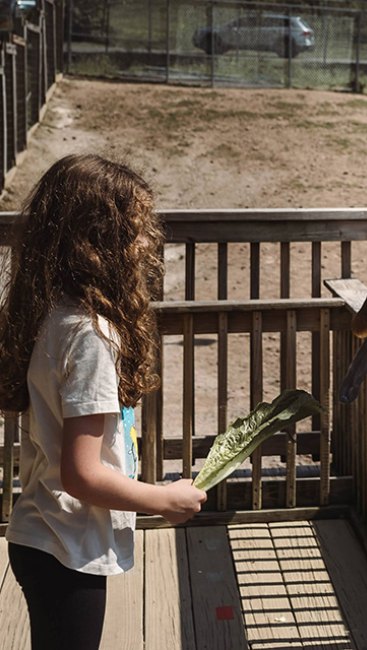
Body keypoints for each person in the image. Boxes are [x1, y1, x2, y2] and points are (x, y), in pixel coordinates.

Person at [0, 154, 207, 649]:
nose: (146, 242)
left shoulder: (57, 317)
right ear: (96, 240)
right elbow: (82, 474)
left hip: (45, 538)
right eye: (135, 229)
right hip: (63, 546)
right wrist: (165, 499)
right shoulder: (92, 338)